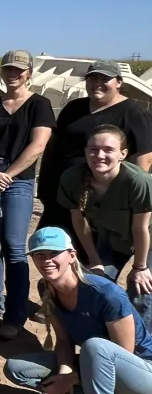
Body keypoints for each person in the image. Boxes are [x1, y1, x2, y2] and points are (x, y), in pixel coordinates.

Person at [3, 227, 152, 394]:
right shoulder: (47, 287)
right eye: (39, 255)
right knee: (17, 367)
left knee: (95, 346)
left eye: (54, 253)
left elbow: (124, 351)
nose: (47, 260)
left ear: (72, 255)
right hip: (95, 362)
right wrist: (64, 374)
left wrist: (71, 378)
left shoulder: (105, 293)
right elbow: (63, 340)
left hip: (142, 372)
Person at [0, 50, 55, 339]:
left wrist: (8, 176)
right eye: (8, 69)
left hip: (18, 181)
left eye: (19, 69)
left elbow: (38, 145)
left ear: (29, 72)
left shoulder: (39, 105)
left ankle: (16, 314)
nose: (13, 74)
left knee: (14, 246)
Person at [38, 60, 152, 243]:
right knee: (53, 248)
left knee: (90, 256)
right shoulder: (74, 108)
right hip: (63, 195)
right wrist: (46, 186)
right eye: (92, 79)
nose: (97, 84)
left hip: (101, 203)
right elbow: (54, 148)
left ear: (119, 82)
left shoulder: (134, 114)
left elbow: (143, 161)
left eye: (104, 79)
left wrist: (126, 201)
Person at [58, 126, 152, 314]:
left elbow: (140, 229)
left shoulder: (138, 181)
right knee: (95, 283)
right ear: (86, 152)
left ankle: (141, 342)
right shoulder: (72, 179)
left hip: (148, 237)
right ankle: (105, 333)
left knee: (141, 290)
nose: (99, 155)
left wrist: (140, 267)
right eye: (93, 149)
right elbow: (79, 222)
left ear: (122, 154)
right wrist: (95, 260)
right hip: (113, 235)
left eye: (108, 149)